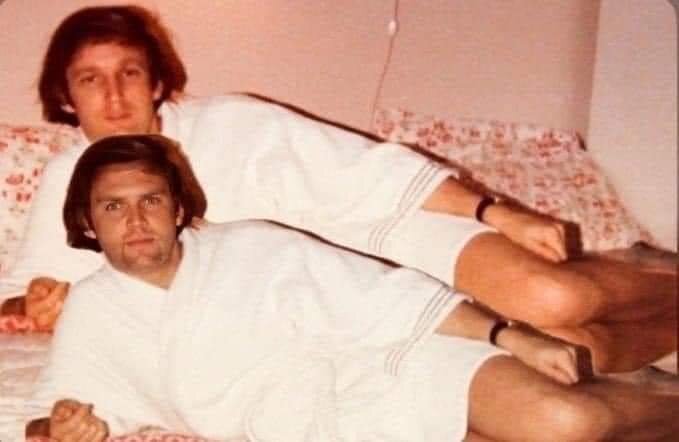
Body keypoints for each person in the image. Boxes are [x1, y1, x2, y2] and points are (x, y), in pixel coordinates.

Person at [0, 5, 674, 373]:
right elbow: (25, 288)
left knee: (555, 299)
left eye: (128, 72)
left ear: (156, 81)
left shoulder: (233, 121)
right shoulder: (66, 178)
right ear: (66, 94)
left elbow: (368, 169)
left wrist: (498, 212)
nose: (114, 95)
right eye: (90, 79)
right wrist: (35, 301)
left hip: (384, 232)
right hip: (334, 302)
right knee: (574, 354)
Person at [25, 135, 679, 442]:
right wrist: (61, 428)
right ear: (87, 221)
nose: (136, 220)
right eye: (113, 207)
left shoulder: (251, 245)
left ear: (177, 208)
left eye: (150, 200)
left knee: (568, 422)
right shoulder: (94, 312)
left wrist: (513, 338)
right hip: (328, 427)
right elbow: (49, 412)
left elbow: (384, 297)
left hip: (392, 363)